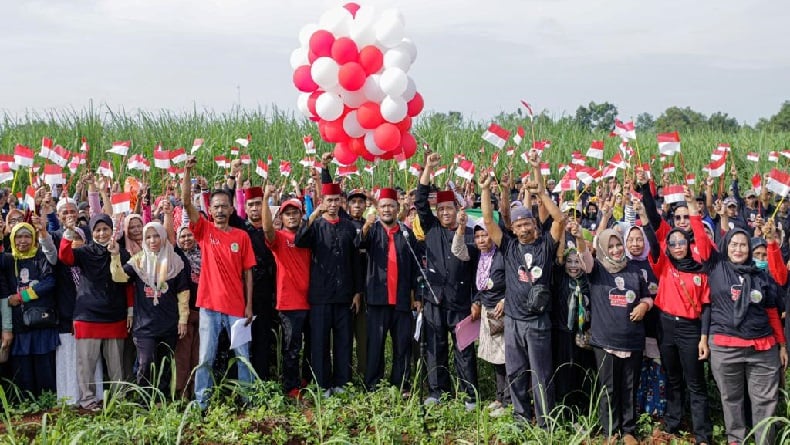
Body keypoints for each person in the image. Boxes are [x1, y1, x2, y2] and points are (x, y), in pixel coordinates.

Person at [478, 157, 564, 426]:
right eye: (518, 226)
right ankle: (521, 417)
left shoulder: (546, 247)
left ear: (534, 226)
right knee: (515, 371)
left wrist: (541, 193)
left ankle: (546, 420)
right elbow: (489, 222)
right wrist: (484, 190)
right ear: (513, 229)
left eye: (528, 224)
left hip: (538, 323)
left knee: (541, 373)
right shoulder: (510, 247)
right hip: (513, 321)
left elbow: (559, 219)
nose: (524, 228)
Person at [698, 226, 788, 444]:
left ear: (749, 248)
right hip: (726, 348)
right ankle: (735, 440)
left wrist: (782, 345)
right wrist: (692, 207)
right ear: (726, 246)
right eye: (734, 244)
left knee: (765, 402)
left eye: (743, 245)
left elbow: (772, 313)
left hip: (763, 349)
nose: (738, 249)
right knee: (731, 400)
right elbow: (701, 240)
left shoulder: (761, 276)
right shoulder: (716, 267)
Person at [181, 156, 257, 410]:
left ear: (232, 209)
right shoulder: (204, 231)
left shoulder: (242, 236)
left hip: (237, 308)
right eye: (216, 206)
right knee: (206, 357)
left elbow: (248, 273)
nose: (221, 210)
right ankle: (202, 403)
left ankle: (247, 400)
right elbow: (185, 203)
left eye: (225, 206)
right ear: (210, 210)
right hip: (209, 307)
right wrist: (187, 171)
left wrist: (248, 305)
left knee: (243, 357)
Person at [643, 188, 712, 444]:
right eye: (672, 244)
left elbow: (706, 306)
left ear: (688, 244)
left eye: (681, 242)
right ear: (667, 247)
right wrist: (645, 191)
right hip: (665, 326)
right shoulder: (664, 264)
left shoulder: (701, 268)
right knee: (672, 377)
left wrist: (704, 337)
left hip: (691, 329)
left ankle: (703, 433)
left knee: (695, 382)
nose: (677, 247)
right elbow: (654, 225)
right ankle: (673, 423)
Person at [416, 154, 478, 408]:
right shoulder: (431, 228)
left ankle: (468, 395)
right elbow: (420, 202)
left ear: (457, 210)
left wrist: (477, 300)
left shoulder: (471, 234)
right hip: (434, 299)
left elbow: (478, 271)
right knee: (435, 346)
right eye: (440, 209)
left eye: (448, 209)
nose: (444, 213)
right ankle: (437, 391)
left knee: (463, 349)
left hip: (461, 301)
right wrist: (429, 167)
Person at [579, 228, 651, 445]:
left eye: (618, 244)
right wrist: (578, 237)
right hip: (605, 341)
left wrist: (644, 306)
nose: (616, 249)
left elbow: (648, 297)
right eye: (610, 246)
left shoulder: (635, 271)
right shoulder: (597, 270)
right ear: (602, 249)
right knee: (608, 388)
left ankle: (629, 430)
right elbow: (584, 257)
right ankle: (610, 430)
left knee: (629, 386)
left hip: (632, 340)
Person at [295, 182, 362, 395]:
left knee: (343, 342)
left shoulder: (348, 226)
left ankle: (342, 383)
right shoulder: (315, 226)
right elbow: (299, 241)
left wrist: (357, 291)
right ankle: (322, 384)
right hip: (321, 295)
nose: (333, 204)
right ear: (322, 202)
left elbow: (355, 262)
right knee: (320, 343)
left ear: (341, 202)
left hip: (344, 297)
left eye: (336, 200)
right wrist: (314, 214)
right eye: (329, 200)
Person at [59, 214, 131, 410]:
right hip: (88, 315)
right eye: (97, 230)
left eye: (105, 229)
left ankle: (119, 400)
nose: (101, 233)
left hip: (115, 314)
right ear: (92, 232)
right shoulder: (85, 252)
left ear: (111, 230)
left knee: (116, 365)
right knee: (86, 364)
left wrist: (116, 255)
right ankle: (88, 400)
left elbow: (127, 281)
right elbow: (65, 257)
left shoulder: (122, 253)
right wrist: (68, 232)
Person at [109, 222, 190, 392]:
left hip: (168, 322)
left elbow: (183, 292)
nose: (152, 240)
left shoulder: (176, 261)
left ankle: (163, 399)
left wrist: (183, 319)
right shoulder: (138, 261)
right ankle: (144, 401)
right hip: (144, 325)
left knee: (165, 363)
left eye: (156, 236)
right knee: (145, 364)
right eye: (148, 237)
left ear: (163, 236)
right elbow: (119, 277)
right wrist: (115, 256)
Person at [357, 188, 419, 392]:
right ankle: (373, 384)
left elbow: (415, 267)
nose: (386, 209)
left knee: (403, 346)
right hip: (377, 299)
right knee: (375, 345)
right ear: (377, 208)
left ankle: (400, 384)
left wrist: (416, 295)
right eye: (383, 206)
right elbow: (359, 244)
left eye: (390, 206)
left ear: (397, 208)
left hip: (402, 300)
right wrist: (366, 224)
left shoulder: (406, 233)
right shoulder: (372, 229)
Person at [261, 186, 311, 397]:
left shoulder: (308, 237)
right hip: (289, 303)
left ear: (301, 215)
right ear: (281, 217)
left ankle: (307, 380)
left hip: (312, 300)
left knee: (312, 346)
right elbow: (266, 229)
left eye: (295, 213)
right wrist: (265, 198)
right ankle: (290, 387)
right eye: (287, 214)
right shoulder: (279, 238)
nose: (291, 217)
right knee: (292, 348)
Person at [1, 221, 59, 398]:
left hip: (42, 320)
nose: (23, 241)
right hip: (19, 323)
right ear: (12, 238)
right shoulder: (9, 260)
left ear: (33, 239)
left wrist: (22, 297)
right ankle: (26, 404)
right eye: (19, 237)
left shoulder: (40, 257)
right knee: (23, 367)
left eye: (27, 236)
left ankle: (47, 403)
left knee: (44, 367)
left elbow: (50, 281)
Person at [174, 226, 200, 398]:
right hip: (185, 313)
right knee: (183, 355)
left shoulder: (205, 255)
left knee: (198, 355)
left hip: (204, 312)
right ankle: (182, 393)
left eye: (189, 234)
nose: (186, 239)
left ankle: (196, 389)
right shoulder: (176, 257)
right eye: (182, 236)